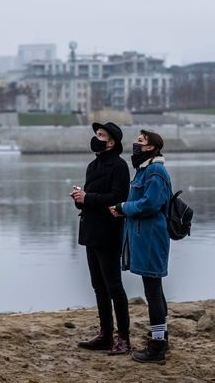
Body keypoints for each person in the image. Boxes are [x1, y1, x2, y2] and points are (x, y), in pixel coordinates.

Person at [109, 129, 171, 364]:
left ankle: (157, 347)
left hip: (152, 238)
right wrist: (123, 209)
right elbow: (141, 203)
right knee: (155, 289)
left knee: (153, 291)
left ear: (150, 148)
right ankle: (161, 337)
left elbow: (150, 204)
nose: (135, 144)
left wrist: (124, 207)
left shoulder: (155, 170)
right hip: (145, 237)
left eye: (140, 141)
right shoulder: (146, 170)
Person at [70, 121, 132, 355]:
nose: (96, 138)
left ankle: (123, 338)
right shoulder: (92, 165)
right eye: (96, 134)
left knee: (114, 286)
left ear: (112, 142)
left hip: (109, 232)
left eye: (101, 135)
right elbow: (91, 197)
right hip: (90, 232)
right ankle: (105, 334)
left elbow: (118, 196)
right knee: (98, 286)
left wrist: (88, 197)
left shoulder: (119, 166)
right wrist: (79, 198)